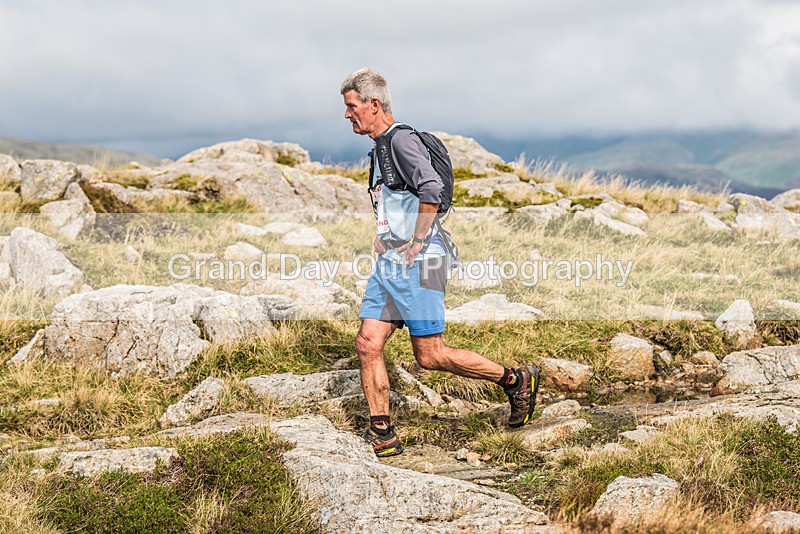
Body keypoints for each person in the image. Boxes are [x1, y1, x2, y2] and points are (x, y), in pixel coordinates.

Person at [340, 68, 541, 457]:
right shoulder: (379, 148)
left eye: (352, 107)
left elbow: (431, 188)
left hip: (424, 262)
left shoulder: (401, 141)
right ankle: (383, 433)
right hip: (392, 263)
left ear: (374, 104)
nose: (348, 115)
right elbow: (399, 199)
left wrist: (417, 240)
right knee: (367, 343)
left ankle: (515, 381)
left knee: (430, 355)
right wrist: (385, 237)